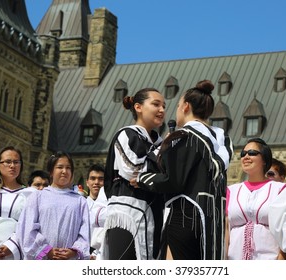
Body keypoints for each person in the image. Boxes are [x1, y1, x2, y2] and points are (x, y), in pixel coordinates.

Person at [134, 80, 233, 260]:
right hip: (213, 221)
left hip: (185, 217)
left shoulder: (185, 137)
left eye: (178, 105)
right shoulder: (222, 140)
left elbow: (173, 181)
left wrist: (142, 178)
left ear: (186, 107)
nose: (176, 110)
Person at [102, 87, 166, 260]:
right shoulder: (127, 135)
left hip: (154, 214)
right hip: (128, 215)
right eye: (156, 104)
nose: (162, 110)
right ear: (138, 107)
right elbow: (133, 172)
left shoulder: (161, 143)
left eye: (164, 106)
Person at [16, 151, 90, 260]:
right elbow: (27, 228)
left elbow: (84, 232)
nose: (64, 171)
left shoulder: (80, 201)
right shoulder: (38, 196)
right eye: (60, 167)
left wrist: (73, 251)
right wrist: (46, 250)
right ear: (51, 171)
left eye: (68, 168)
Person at [225, 138, 286, 260]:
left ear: (264, 160)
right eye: (243, 154)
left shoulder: (280, 190)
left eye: (252, 153)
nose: (246, 156)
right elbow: (227, 230)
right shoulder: (231, 190)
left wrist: (281, 259)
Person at [85, 163, 105, 258]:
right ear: (87, 182)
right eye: (93, 178)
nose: (96, 182)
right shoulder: (80, 206)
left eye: (101, 179)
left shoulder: (110, 207)